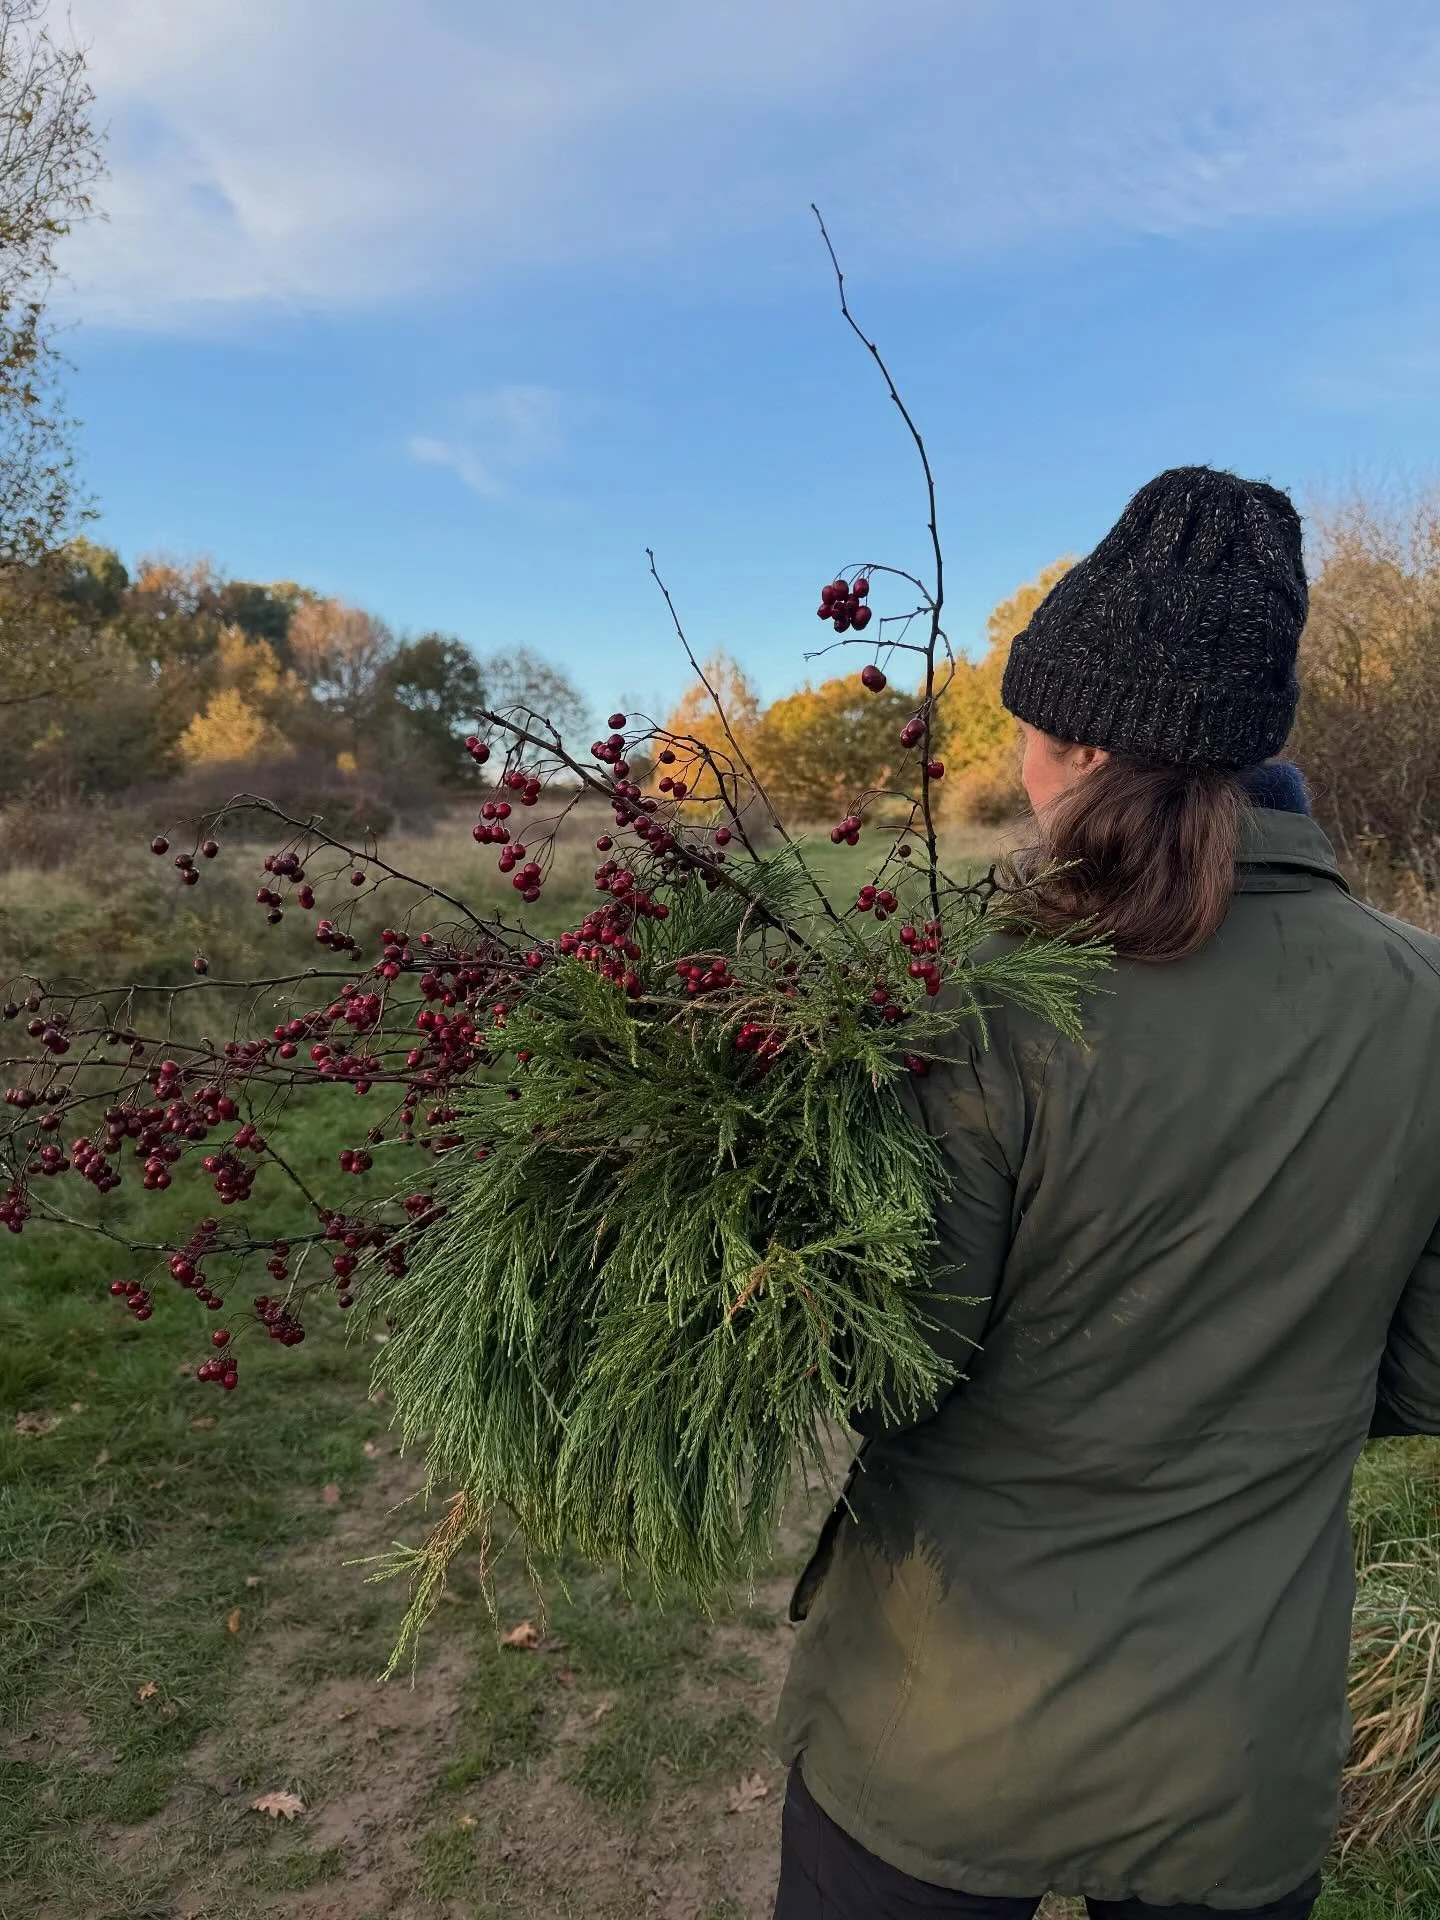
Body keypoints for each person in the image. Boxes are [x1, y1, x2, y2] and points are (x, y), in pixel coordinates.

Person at [772, 466, 1440, 1919]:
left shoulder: (981, 1011)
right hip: (1237, 1756)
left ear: (1075, 746)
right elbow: (1430, 1376)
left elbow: (895, 1378)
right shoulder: (1425, 1002)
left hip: (938, 1734)